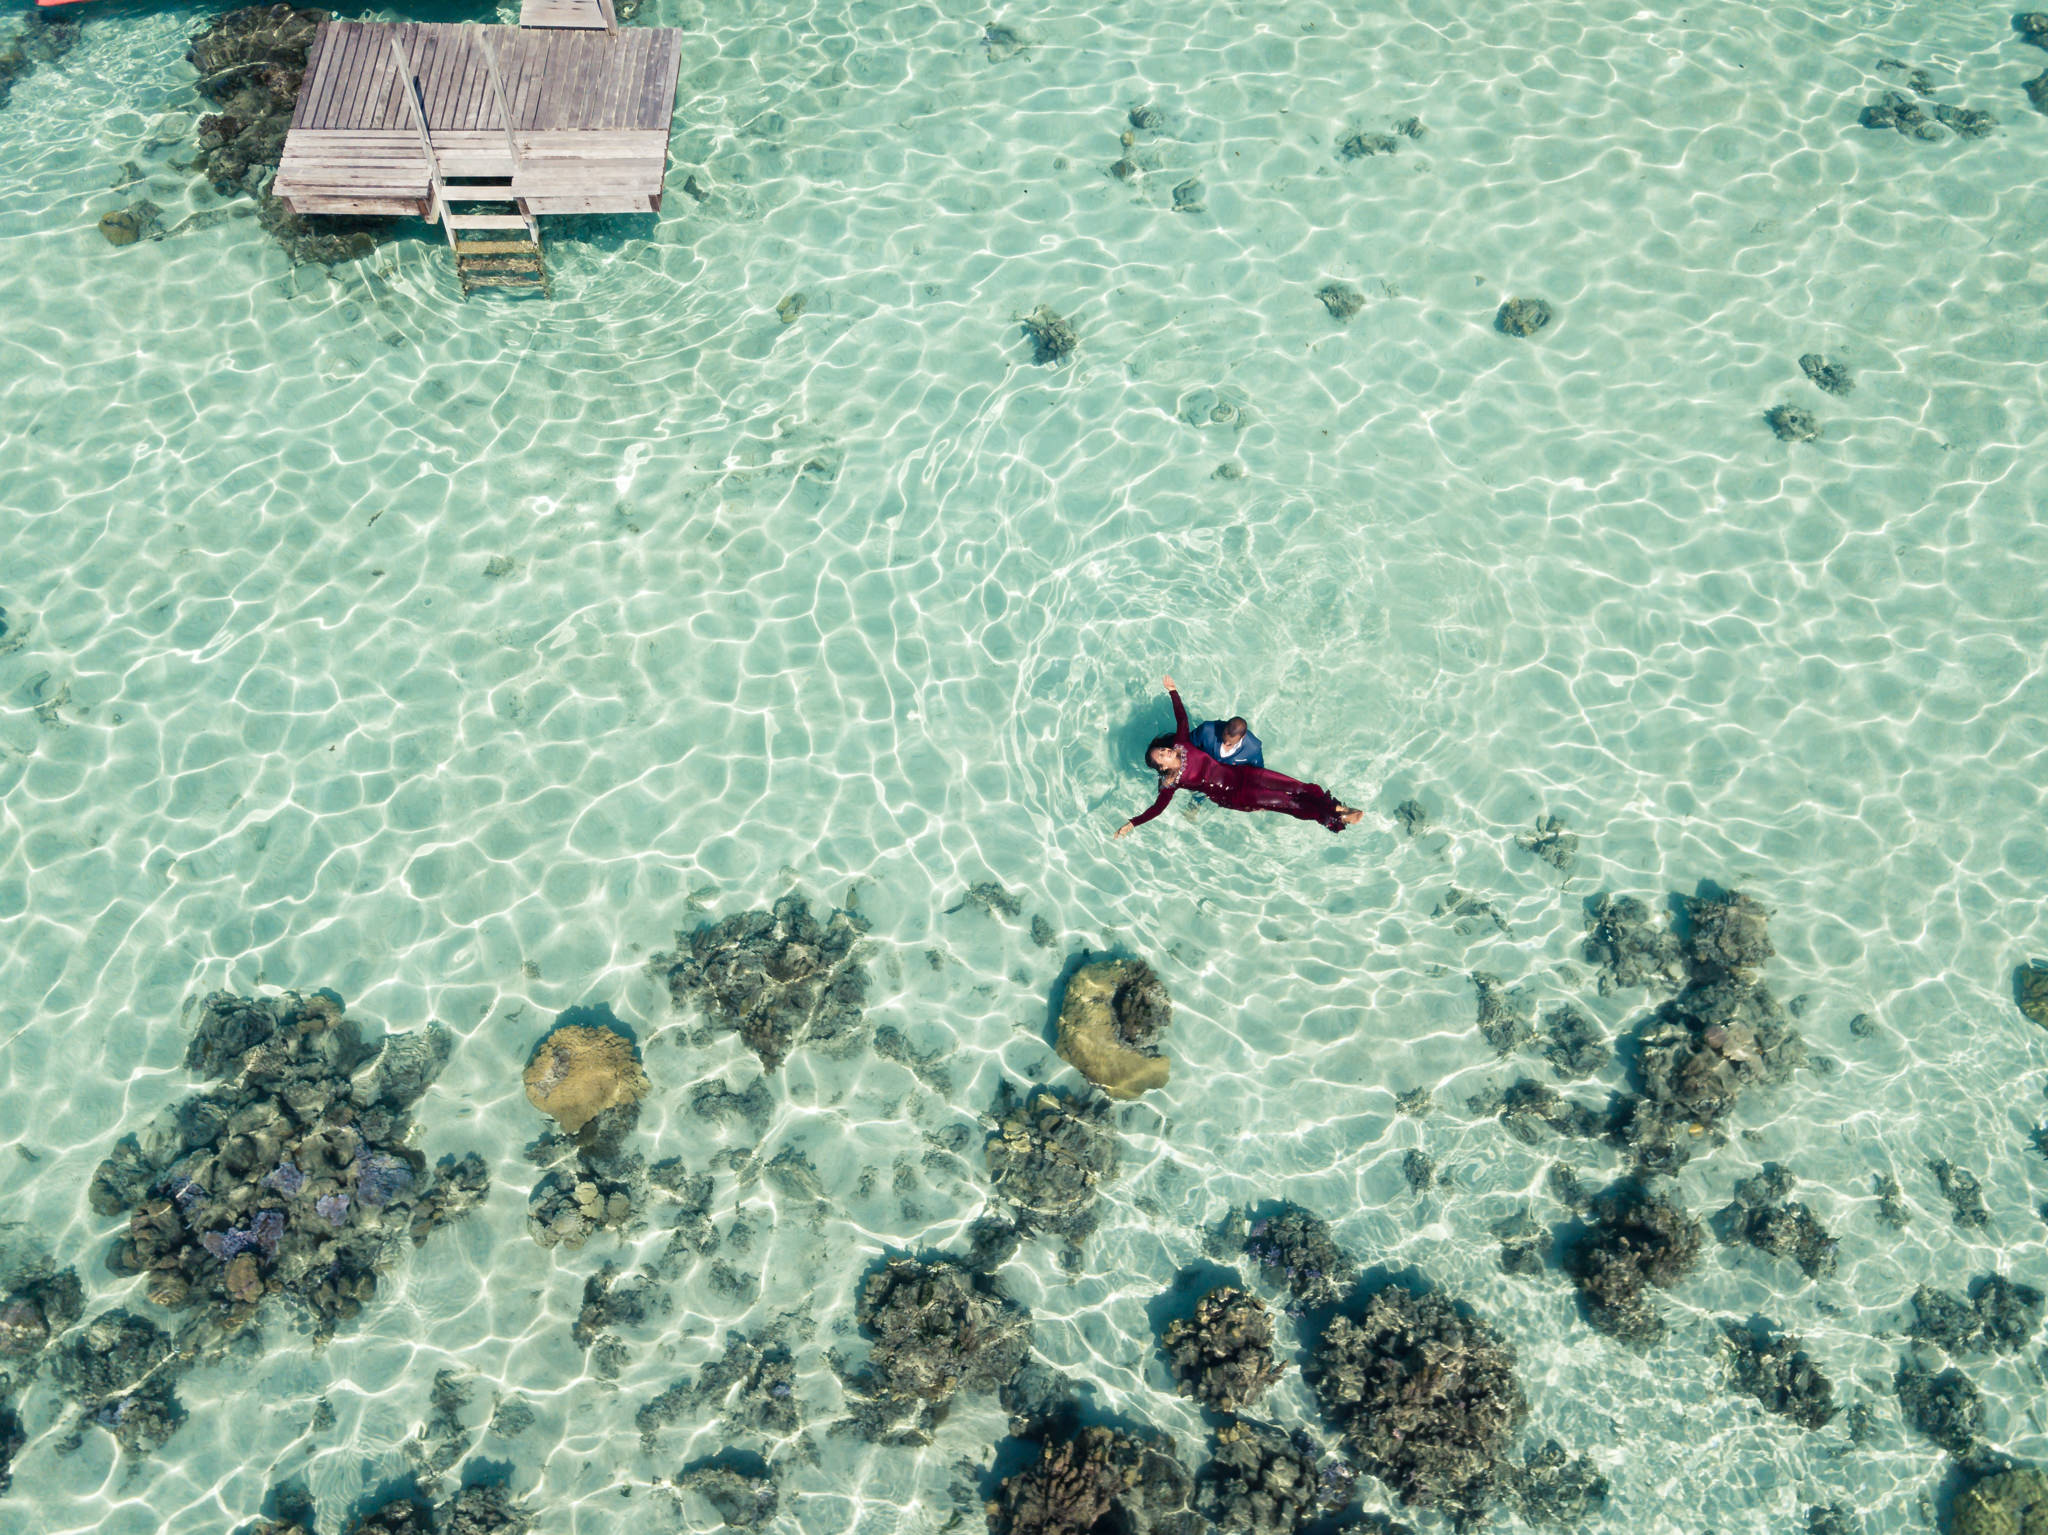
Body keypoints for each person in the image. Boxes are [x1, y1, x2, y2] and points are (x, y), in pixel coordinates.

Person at [1114, 675, 1362, 837]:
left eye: (1162, 748)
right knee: (1289, 804)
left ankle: (1338, 806)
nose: (1166, 751)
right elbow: (1157, 808)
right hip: (1234, 795)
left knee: (1298, 786)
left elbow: (1182, 717)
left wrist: (1173, 691)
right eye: (1162, 755)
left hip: (1244, 774)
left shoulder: (1181, 743)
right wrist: (1133, 823)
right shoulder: (1171, 782)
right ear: (1161, 767)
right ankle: (1335, 818)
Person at [1189, 714, 1262, 769]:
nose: (1226, 744)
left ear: (1243, 737)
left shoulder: (1254, 749)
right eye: (1224, 739)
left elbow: (1258, 771)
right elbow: (1187, 744)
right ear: (1224, 726)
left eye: (1230, 743)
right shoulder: (1206, 730)